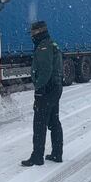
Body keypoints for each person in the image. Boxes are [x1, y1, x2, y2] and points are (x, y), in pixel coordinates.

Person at [21, 21, 64, 167]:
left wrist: (39, 87)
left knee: (39, 123)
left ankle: (37, 156)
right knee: (53, 121)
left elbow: (45, 70)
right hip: (55, 87)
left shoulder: (44, 47)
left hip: (46, 89)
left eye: (33, 32)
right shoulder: (51, 43)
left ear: (39, 32)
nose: (31, 35)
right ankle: (57, 153)